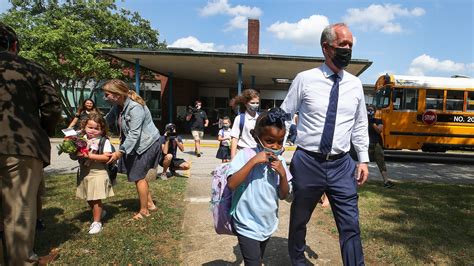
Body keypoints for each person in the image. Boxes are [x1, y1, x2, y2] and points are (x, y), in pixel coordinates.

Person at [281, 23, 369, 265]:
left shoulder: (355, 84)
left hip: (342, 165)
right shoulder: (305, 79)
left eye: (351, 45)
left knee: (350, 223)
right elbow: (285, 115)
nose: (348, 49)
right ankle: (298, 260)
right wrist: (276, 151)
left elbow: (360, 124)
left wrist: (362, 159)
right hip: (308, 161)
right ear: (326, 47)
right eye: (343, 45)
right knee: (299, 219)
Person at [0, 23, 62, 264]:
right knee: (18, 210)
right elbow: (51, 106)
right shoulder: (29, 68)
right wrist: (42, 130)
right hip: (20, 147)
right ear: (14, 46)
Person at [227, 107, 292, 265]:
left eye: (280, 142)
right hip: (246, 222)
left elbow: (283, 195)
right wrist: (254, 161)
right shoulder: (246, 155)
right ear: (256, 137)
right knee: (253, 262)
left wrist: (282, 174)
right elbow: (231, 183)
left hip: (267, 223)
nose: (275, 146)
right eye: (270, 141)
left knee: (258, 258)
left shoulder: (280, 162)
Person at [102, 79, 160, 220]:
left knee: (138, 176)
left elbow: (135, 133)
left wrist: (120, 152)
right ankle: (150, 204)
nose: (105, 97)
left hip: (146, 144)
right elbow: (106, 121)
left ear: (117, 94)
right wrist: (89, 126)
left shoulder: (135, 107)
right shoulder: (118, 106)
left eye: (107, 94)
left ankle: (144, 211)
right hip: (135, 145)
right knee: (137, 175)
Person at [74, 113, 114, 234]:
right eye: (90, 127)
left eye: (97, 128)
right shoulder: (80, 140)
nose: (93, 131)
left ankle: (97, 222)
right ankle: (100, 212)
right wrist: (74, 153)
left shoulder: (103, 141)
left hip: (98, 172)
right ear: (84, 127)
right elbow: (74, 155)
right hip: (85, 172)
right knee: (89, 196)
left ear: (102, 130)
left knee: (96, 198)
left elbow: (106, 157)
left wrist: (90, 155)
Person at [367, 105, 394, 188]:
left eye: (371, 110)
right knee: (361, 162)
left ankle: (386, 181)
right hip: (366, 145)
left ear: (375, 112)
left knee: (381, 163)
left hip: (376, 145)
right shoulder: (363, 121)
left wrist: (372, 123)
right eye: (368, 110)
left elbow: (379, 130)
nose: (370, 112)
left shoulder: (378, 121)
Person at [230, 89, 260, 159]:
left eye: (257, 103)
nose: (255, 105)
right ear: (245, 104)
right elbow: (234, 138)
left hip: (258, 153)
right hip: (243, 153)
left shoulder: (261, 118)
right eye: (252, 103)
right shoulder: (239, 118)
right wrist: (233, 157)